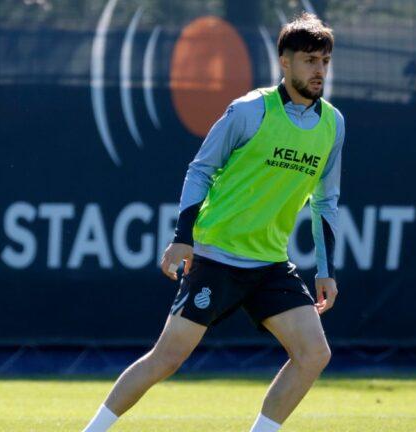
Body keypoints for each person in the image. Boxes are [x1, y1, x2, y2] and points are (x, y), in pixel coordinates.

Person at [82, 12, 344, 432]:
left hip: (270, 264)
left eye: (325, 61)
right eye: (310, 60)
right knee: (167, 358)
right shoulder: (249, 110)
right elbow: (200, 170)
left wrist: (325, 272)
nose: (319, 70)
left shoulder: (332, 123)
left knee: (314, 354)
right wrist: (182, 238)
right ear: (285, 62)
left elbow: (326, 201)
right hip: (217, 257)